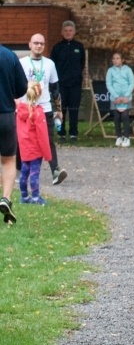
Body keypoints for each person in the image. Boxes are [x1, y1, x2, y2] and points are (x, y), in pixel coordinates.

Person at [19, 35, 67, 188]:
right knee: (23, 141)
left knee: (48, 140)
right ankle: (20, 171)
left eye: (41, 43)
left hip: (44, 109)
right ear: (30, 45)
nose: (38, 46)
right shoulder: (22, 63)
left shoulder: (50, 64)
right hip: (26, 109)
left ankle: (55, 171)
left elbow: (55, 88)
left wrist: (58, 109)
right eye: (36, 43)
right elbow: (16, 85)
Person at [0, 43, 28, 223]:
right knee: (8, 159)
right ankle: (6, 198)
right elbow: (22, 88)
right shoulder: (9, 55)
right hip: (6, 115)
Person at [16, 81, 52, 205]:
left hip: (24, 148)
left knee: (24, 172)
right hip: (35, 149)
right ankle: (36, 197)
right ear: (39, 95)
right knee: (34, 174)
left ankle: (24, 196)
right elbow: (42, 136)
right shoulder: (38, 112)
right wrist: (47, 154)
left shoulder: (20, 111)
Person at [50, 20, 86, 141]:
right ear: (62, 32)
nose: (68, 33)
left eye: (70, 31)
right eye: (66, 31)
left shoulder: (79, 47)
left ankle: (73, 134)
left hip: (75, 85)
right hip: (61, 85)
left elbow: (82, 64)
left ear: (74, 32)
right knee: (60, 110)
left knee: (74, 110)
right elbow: (52, 65)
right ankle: (61, 133)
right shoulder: (57, 48)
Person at [106, 51, 134, 148]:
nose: (115, 60)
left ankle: (126, 137)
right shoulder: (110, 71)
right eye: (114, 58)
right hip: (115, 98)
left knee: (125, 116)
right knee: (117, 117)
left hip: (126, 98)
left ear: (122, 60)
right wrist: (116, 97)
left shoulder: (128, 70)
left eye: (117, 58)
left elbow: (131, 83)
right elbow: (109, 84)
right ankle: (118, 137)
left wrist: (126, 96)